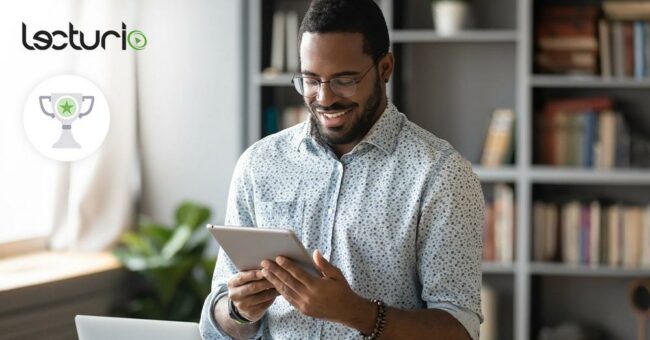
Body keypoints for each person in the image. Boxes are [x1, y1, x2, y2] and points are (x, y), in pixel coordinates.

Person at [199, 0, 484, 339]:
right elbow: (216, 319)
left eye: (344, 80)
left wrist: (357, 313)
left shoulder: (440, 174)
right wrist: (238, 310)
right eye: (310, 79)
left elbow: (459, 330)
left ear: (385, 68)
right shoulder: (259, 164)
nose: (324, 97)